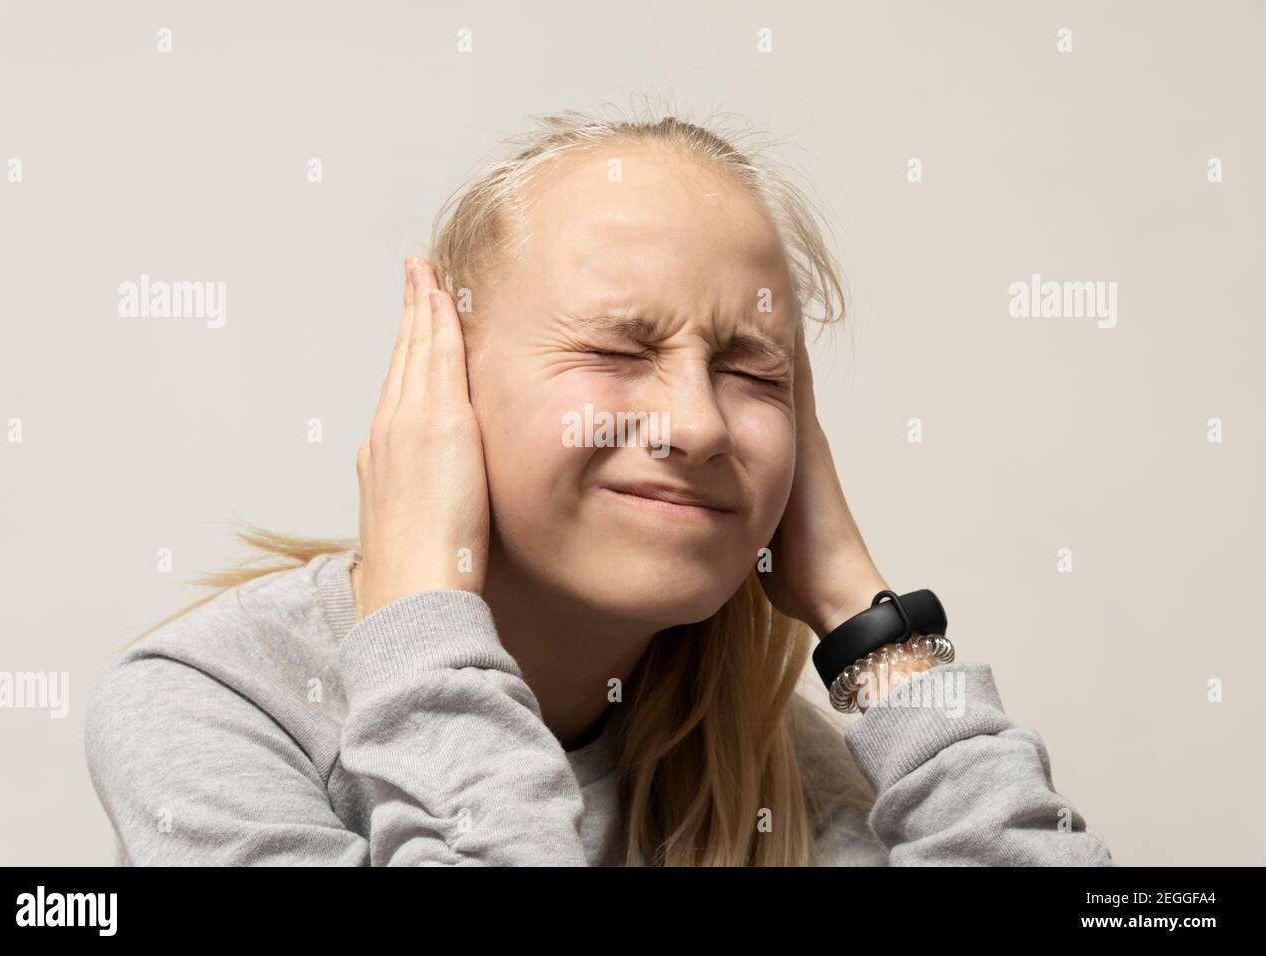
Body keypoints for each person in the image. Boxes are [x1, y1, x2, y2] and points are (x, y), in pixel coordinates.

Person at [85, 108, 1114, 866]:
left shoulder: (773, 762)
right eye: (618, 349)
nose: (700, 423)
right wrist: (423, 619)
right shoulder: (211, 711)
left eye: (751, 371)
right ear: (445, 384)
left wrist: (862, 615)